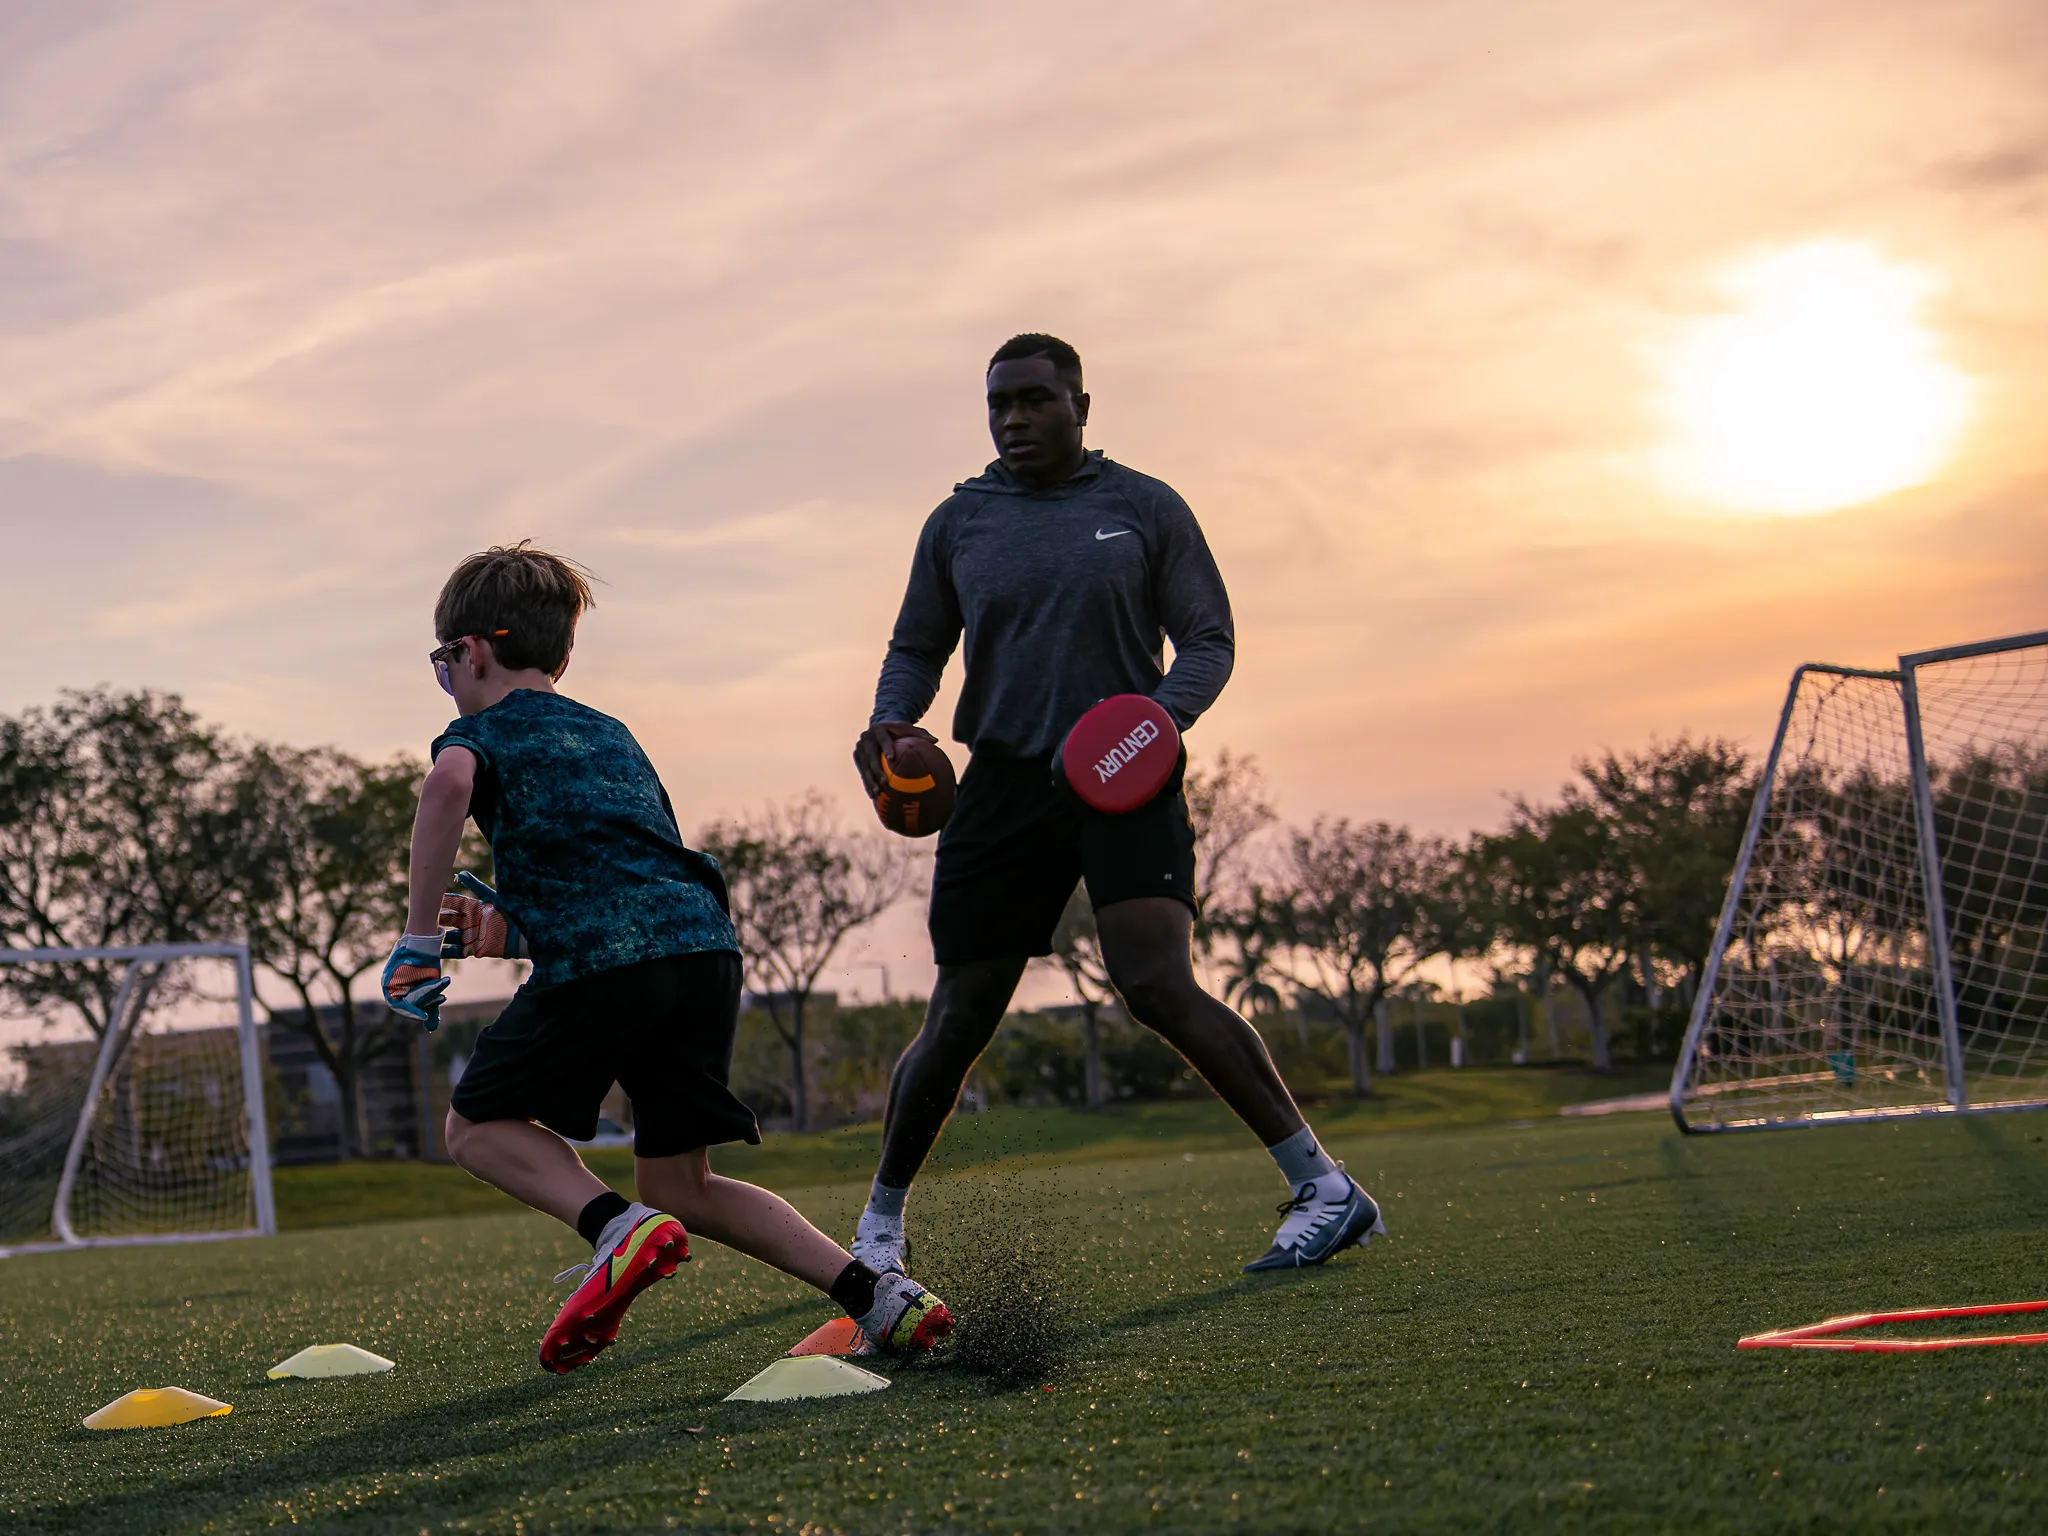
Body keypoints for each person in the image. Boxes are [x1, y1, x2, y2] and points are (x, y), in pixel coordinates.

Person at [850, 335, 1384, 1276]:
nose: (1014, 418)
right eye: (999, 404)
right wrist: (891, 722)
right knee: (962, 1012)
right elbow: (916, 648)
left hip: (1123, 772)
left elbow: (1208, 642)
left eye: (1035, 401)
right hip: (1005, 783)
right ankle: (880, 1233)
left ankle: (1325, 1188)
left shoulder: (1143, 506)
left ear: (1081, 406)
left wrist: (1150, 727)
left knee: (1155, 984)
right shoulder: (958, 522)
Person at [383, 542, 951, 1373]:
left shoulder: (479, 733)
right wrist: (508, 931)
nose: (445, 679)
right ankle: (880, 1297)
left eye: (442, 662)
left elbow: (444, 791)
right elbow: (634, 880)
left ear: (470, 651)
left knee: (474, 1128)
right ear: (563, 654)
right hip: (702, 951)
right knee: (683, 1185)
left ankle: (613, 1226)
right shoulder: (612, 735)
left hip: (612, 964)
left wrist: (417, 941)